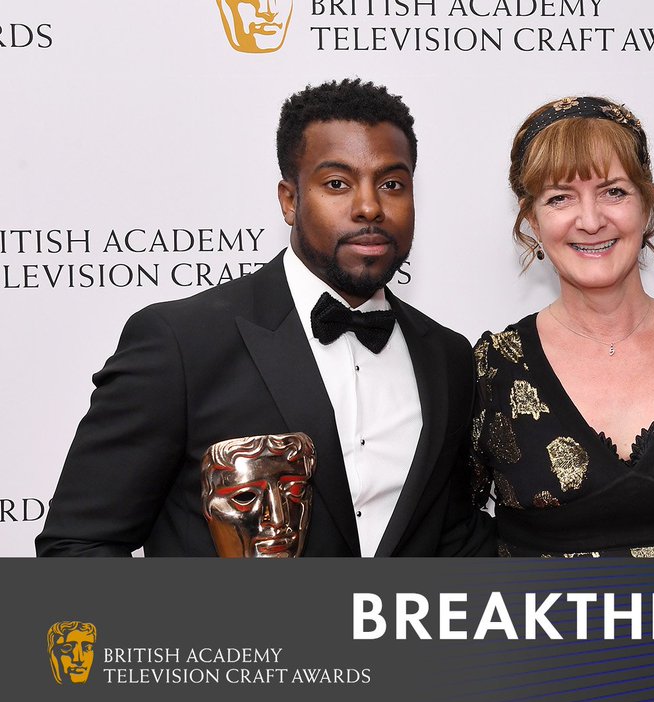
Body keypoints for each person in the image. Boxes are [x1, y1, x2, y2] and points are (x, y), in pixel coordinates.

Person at [36, 78, 493, 557]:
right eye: (336, 184)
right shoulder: (181, 344)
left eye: (392, 184)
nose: (369, 207)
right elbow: (78, 548)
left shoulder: (447, 357)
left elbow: (453, 537)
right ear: (290, 200)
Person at [472, 96, 654, 558]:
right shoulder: (494, 368)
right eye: (560, 197)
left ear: (647, 205)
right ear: (532, 221)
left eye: (614, 191)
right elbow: (449, 526)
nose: (590, 221)